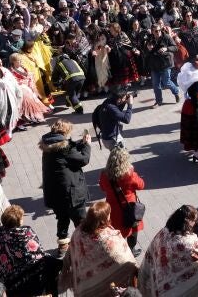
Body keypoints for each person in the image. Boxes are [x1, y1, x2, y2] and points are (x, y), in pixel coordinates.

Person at [58, 200, 138, 297]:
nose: (110, 215)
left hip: (85, 284)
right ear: (102, 220)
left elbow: (71, 253)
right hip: (107, 286)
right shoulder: (108, 240)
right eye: (108, 214)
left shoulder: (79, 231)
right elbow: (126, 262)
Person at [139, 204, 198, 296]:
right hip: (173, 287)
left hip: (156, 276)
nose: (196, 223)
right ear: (188, 222)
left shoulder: (165, 231)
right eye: (195, 221)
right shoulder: (190, 243)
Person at [0, 204, 62, 297]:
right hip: (27, 277)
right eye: (22, 217)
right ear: (18, 221)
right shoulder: (24, 233)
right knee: (50, 263)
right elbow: (38, 254)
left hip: (8, 282)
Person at [40, 119, 91, 256]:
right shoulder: (64, 148)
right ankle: (86, 246)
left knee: (62, 219)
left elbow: (68, 148)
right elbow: (83, 159)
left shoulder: (49, 144)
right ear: (64, 132)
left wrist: (78, 143)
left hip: (55, 194)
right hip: (71, 194)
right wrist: (87, 145)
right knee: (81, 222)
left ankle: (63, 247)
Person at [99, 147, 145, 254]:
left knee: (115, 229)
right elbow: (141, 185)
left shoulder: (105, 174)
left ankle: (118, 250)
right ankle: (131, 249)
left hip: (112, 207)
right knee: (132, 228)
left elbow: (102, 187)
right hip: (129, 207)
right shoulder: (130, 175)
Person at [177, 57, 198, 162]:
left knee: (192, 131)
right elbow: (197, 96)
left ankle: (196, 152)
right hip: (196, 107)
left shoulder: (188, 75)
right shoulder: (195, 81)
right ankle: (197, 153)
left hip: (188, 106)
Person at [145, 23, 179, 105]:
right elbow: (146, 50)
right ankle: (158, 101)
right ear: (152, 32)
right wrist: (148, 48)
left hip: (165, 63)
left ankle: (176, 92)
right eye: (156, 31)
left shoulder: (166, 37)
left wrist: (166, 48)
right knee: (156, 85)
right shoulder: (150, 39)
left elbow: (175, 47)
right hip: (155, 64)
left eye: (160, 30)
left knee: (166, 82)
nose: (158, 32)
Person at [51, 49, 86, 114]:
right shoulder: (73, 60)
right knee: (73, 93)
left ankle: (79, 109)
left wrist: (57, 85)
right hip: (82, 78)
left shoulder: (59, 64)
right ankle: (69, 103)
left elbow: (55, 77)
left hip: (72, 79)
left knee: (72, 96)